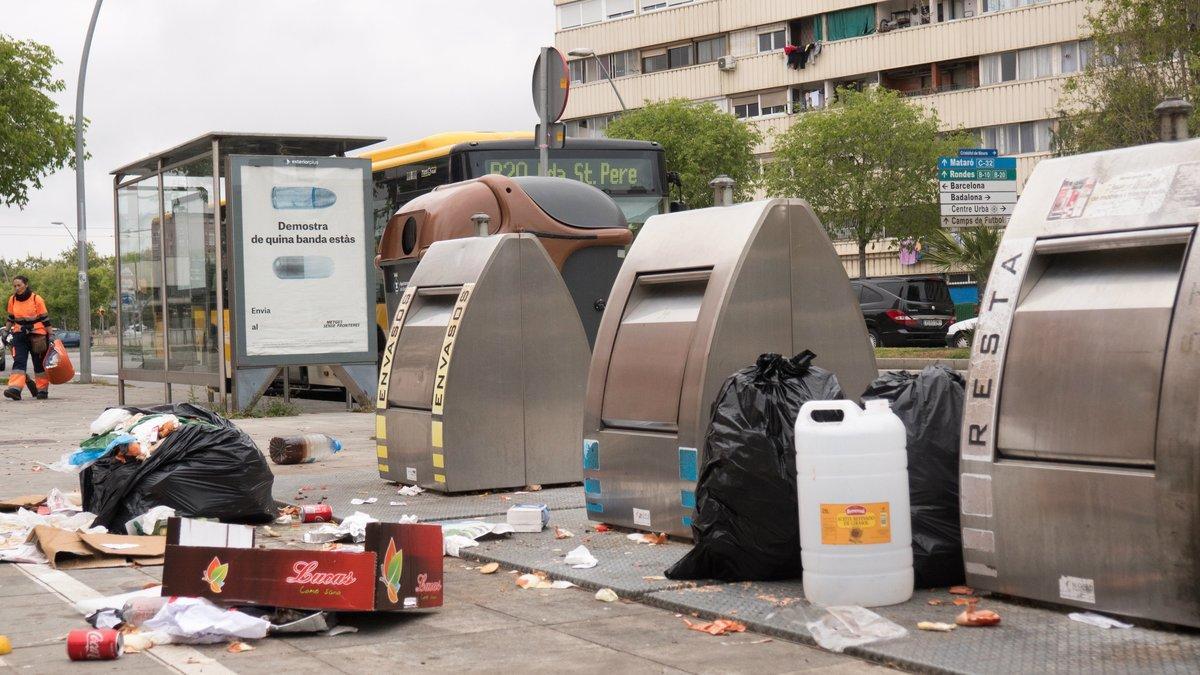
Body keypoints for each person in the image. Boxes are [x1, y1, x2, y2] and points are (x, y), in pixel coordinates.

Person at [4, 275, 52, 400]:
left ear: (26, 284)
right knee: (19, 361)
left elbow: (45, 319)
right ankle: (15, 389)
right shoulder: (12, 300)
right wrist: (6, 331)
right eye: (14, 286)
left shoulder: (37, 299)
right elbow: (11, 318)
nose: (16, 288)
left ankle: (42, 390)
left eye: (19, 285)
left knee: (38, 364)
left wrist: (51, 335)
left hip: (38, 335)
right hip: (19, 334)